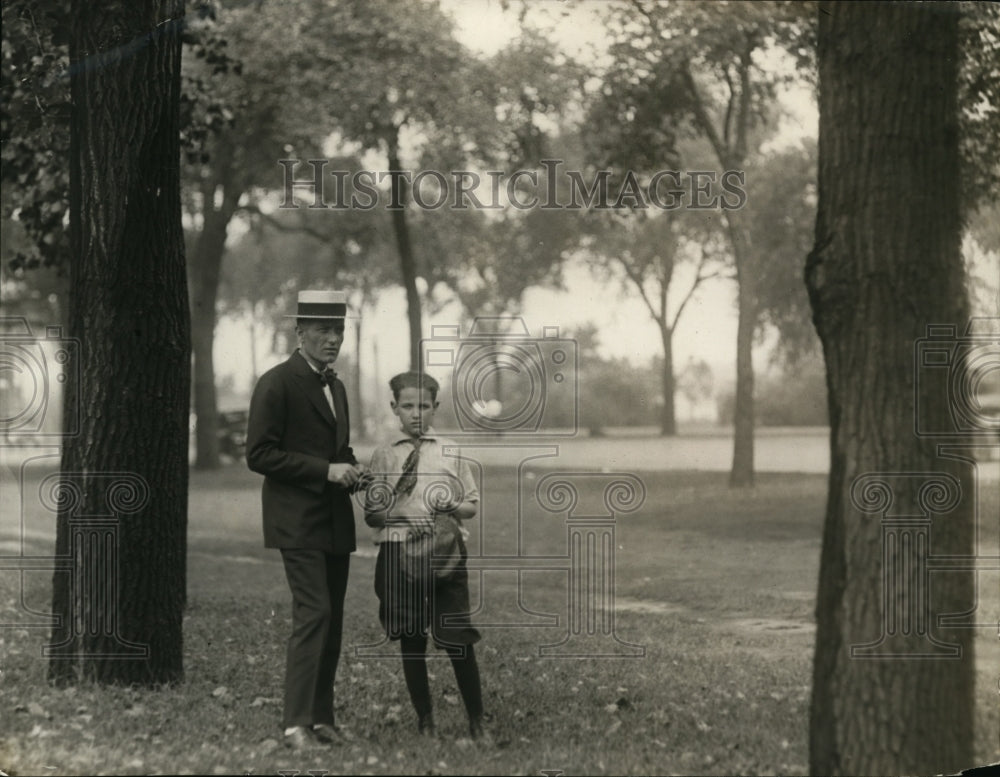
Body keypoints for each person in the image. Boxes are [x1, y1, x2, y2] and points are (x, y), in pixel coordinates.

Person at [246, 289, 368, 751]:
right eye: (322, 331)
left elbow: (337, 452)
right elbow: (259, 455)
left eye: (338, 331)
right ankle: (294, 724)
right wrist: (326, 471)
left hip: (334, 519)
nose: (332, 340)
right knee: (314, 612)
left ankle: (321, 720)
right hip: (295, 520)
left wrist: (353, 470)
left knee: (331, 619)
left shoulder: (336, 386)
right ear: (300, 333)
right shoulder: (275, 383)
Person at [363, 371, 490, 742]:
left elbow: (471, 506)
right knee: (411, 638)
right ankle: (426, 721)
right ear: (394, 409)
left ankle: (477, 721)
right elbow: (372, 514)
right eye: (407, 406)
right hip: (398, 555)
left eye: (423, 406)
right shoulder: (385, 455)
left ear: (435, 408)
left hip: (445, 555)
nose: (416, 414)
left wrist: (453, 504)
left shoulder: (451, 450)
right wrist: (402, 513)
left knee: (457, 639)